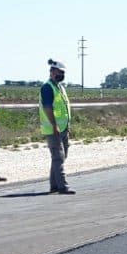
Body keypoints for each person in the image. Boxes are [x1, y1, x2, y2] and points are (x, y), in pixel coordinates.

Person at [40, 58, 75, 194]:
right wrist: (54, 125)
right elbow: (48, 108)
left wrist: (66, 126)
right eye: (59, 72)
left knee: (60, 156)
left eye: (63, 72)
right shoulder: (47, 87)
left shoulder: (59, 87)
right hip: (53, 128)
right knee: (58, 157)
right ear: (52, 71)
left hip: (63, 127)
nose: (61, 74)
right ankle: (62, 187)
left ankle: (54, 185)